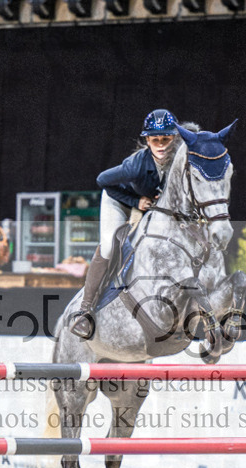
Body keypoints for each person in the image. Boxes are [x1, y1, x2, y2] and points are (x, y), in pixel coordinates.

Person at [70, 108, 181, 340]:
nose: (161, 145)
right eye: (155, 140)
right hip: (118, 201)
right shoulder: (136, 165)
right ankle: (85, 310)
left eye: (166, 139)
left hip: (149, 206)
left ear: (175, 138)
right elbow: (102, 180)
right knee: (110, 246)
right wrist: (134, 201)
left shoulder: (179, 161)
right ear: (147, 140)